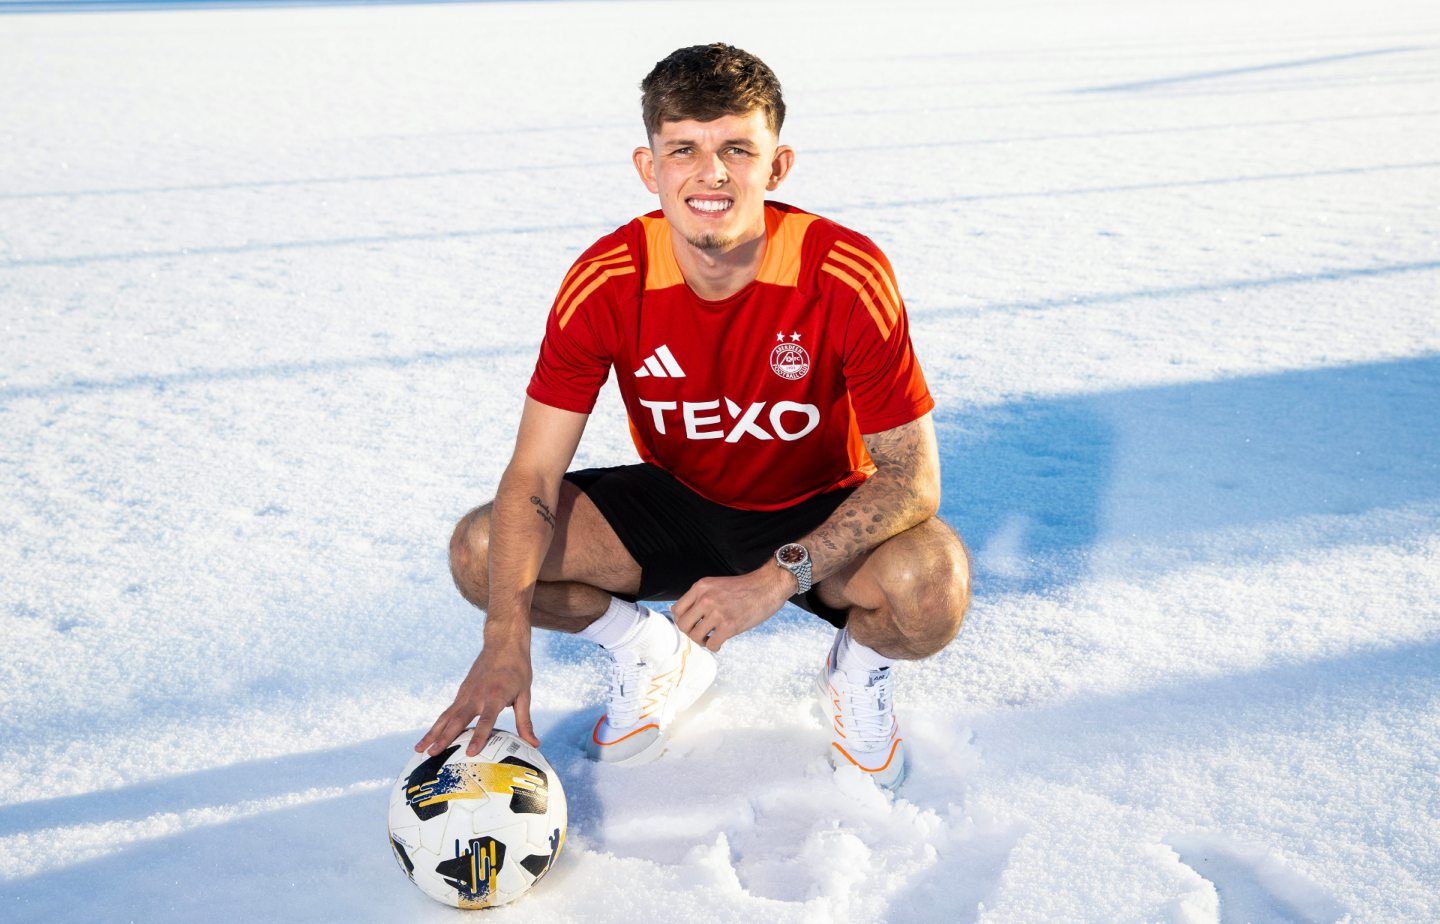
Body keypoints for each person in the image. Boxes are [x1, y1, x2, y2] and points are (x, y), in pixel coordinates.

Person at [415, 43, 970, 789]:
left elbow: (912, 480)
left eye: (737, 148)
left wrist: (776, 578)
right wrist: (504, 636)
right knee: (484, 554)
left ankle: (856, 672)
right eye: (684, 149)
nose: (711, 173)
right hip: (682, 502)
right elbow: (534, 475)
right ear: (651, 168)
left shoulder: (842, 272)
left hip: (819, 508)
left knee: (931, 590)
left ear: (777, 167)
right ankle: (649, 652)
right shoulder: (610, 278)